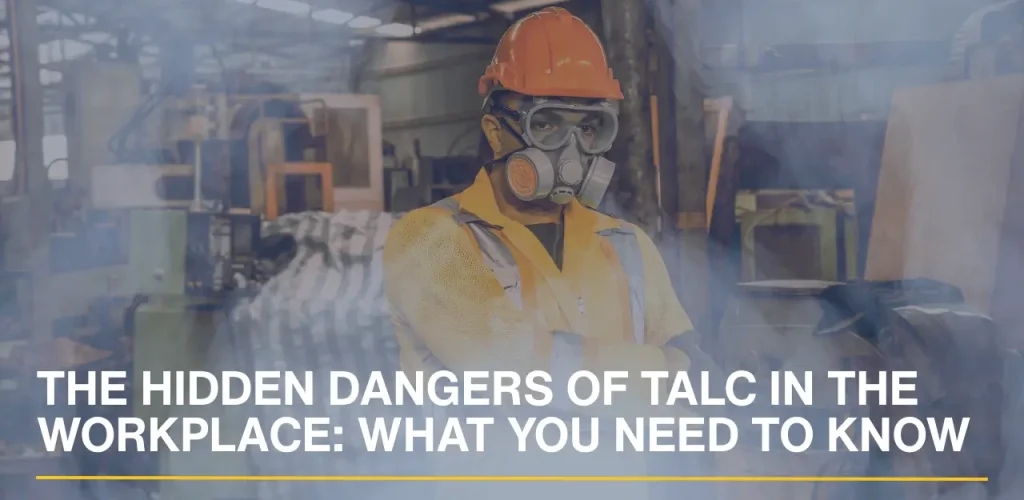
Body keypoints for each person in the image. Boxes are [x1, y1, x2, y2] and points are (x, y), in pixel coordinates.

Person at [382, 6, 711, 499]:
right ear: (495, 130)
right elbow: (505, 362)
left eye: (589, 128)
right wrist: (663, 372)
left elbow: (691, 375)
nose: (570, 150)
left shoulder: (627, 245)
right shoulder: (429, 239)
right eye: (548, 124)